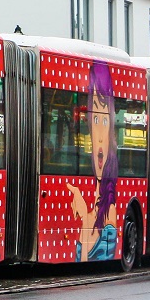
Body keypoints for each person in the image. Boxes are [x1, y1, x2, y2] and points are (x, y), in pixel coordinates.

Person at [66, 61, 119, 262]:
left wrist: (85, 220)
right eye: (93, 119)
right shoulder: (97, 207)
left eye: (104, 120)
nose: (97, 136)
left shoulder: (110, 211)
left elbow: (87, 260)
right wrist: (85, 216)